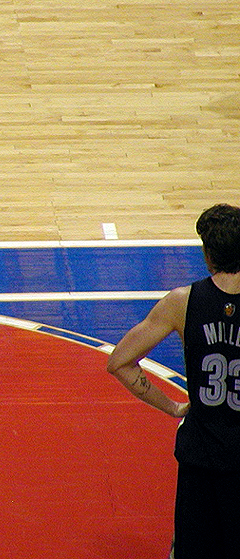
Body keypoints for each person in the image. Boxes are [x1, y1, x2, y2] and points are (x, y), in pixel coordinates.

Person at [107, 203, 240, 558]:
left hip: (200, 452)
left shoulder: (183, 302)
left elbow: (121, 362)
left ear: (207, 254)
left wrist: (172, 406)